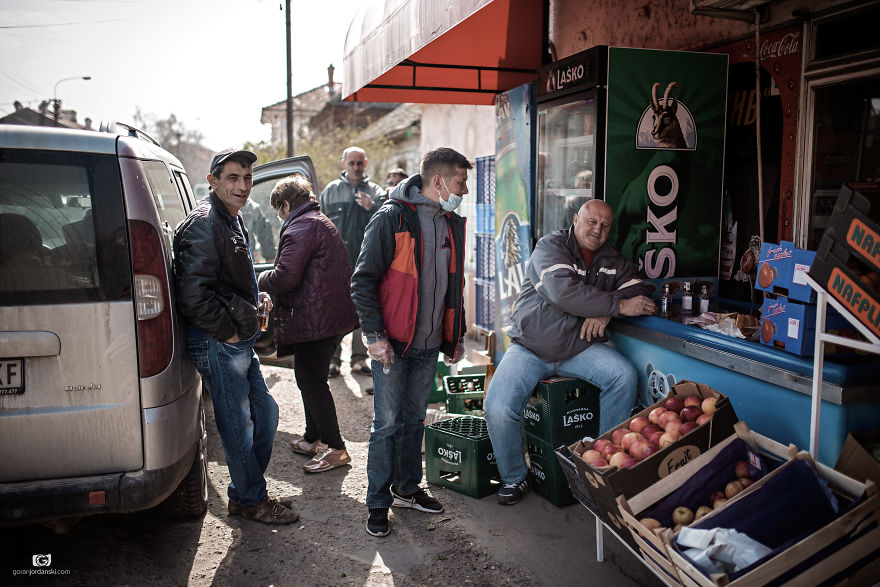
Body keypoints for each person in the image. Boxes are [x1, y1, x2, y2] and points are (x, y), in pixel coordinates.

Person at [484, 199, 657, 505]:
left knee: (623, 376)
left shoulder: (611, 258)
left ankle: (599, 464)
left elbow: (641, 290)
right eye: (591, 222)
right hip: (531, 347)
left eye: (604, 226)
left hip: (578, 347)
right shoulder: (551, 246)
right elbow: (563, 293)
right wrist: (614, 305)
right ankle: (514, 477)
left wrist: (605, 312)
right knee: (498, 407)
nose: (597, 230)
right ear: (576, 219)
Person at [173, 148, 298, 524]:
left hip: (235, 339)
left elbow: (222, 281)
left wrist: (252, 297)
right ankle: (251, 499)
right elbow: (194, 294)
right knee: (237, 425)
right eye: (233, 178)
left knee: (266, 413)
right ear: (213, 181)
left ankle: (245, 492)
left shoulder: (230, 218)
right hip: (218, 342)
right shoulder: (206, 223)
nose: (243, 186)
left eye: (247, 178)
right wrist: (227, 331)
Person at [351, 147, 470, 537]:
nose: (464, 189)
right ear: (438, 181)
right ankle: (377, 502)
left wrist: (456, 334)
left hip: (428, 345)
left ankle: (405, 488)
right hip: (392, 344)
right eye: (460, 181)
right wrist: (374, 336)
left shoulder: (451, 222)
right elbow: (362, 281)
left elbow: (454, 285)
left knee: (414, 420)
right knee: (386, 424)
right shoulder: (392, 217)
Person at [258, 175, 359, 473]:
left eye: (279, 210)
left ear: (286, 204)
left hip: (317, 318)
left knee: (311, 381)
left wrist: (259, 279)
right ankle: (314, 437)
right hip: (327, 316)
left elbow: (286, 276)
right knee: (310, 378)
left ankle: (336, 448)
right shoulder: (317, 220)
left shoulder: (301, 226)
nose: (279, 216)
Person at [319, 146, 386, 379]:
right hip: (336, 265)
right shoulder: (331, 191)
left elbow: (386, 226)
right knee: (335, 312)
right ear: (343, 164)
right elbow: (319, 225)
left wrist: (373, 208)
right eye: (352, 163)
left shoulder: (376, 192)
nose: (356, 167)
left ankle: (359, 359)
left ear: (365, 164)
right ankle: (332, 360)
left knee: (363, 311)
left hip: (365, 264)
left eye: (360, 163)